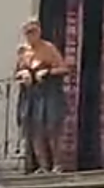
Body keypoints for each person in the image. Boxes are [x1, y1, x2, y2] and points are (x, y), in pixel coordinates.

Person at [16, 18, 69, 174]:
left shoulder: (49, 48)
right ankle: (43, 166)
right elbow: (15, 74)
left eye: (33, 31)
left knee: (51, 128)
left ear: (39, 32)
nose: (30, 35)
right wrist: (22, 74)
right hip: (30, 95)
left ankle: (58, 165)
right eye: (27, 32)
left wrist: (48, 72)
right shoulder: (22, 52)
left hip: (49, 93)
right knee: (34, 130)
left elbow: (64, 68)